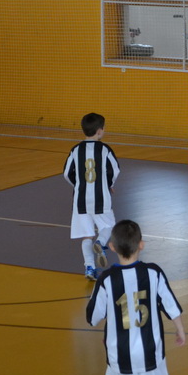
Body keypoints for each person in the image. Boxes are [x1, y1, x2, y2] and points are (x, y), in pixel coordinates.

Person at [87, 220, 186, 375]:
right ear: (141, 244)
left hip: (118, 349)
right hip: (147, 347)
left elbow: (93, 317)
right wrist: (180, 329)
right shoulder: (153, 273)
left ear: (112, 247)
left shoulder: (106, 279)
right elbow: (170, 304)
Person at [64, 113, 121, 280]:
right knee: (108, 226)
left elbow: (67, 173)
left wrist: (78, 185)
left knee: (86, 235)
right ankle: (101, 243)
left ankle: (89, 268)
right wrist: (109, 184)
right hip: (101, 197)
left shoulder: (75, 150)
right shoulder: (105, 149)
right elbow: (115, 170)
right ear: (100, 131)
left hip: (80, 199)